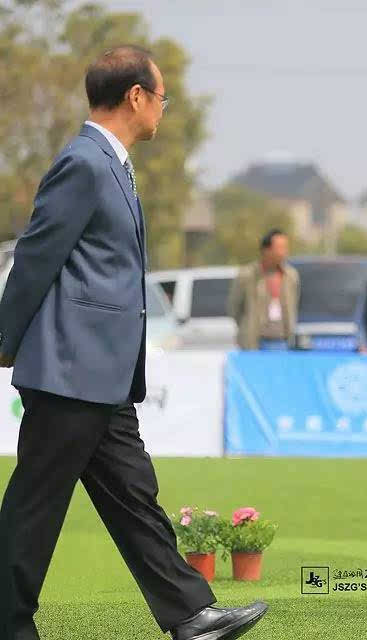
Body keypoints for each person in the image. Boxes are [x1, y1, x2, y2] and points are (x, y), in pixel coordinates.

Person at [0, 46, 267, 640]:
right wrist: (6, 339)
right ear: (136, 96)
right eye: (161, 98)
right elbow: (37, 256)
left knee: (134, 498)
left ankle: (190, 616)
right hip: (70, 371)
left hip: (105, 376)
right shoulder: (85, 163)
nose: (163, 111)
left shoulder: (111, 164)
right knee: (36, 507)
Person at [227, 229, 300, 351]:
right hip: (254, 343)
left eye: (285, 248)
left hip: (282, 341)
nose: (284, 252)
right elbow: (234, 308)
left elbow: (295, 303)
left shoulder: (291, 276)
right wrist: (248, 328)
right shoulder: (247, 275)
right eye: (280, 248)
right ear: (266, 250)